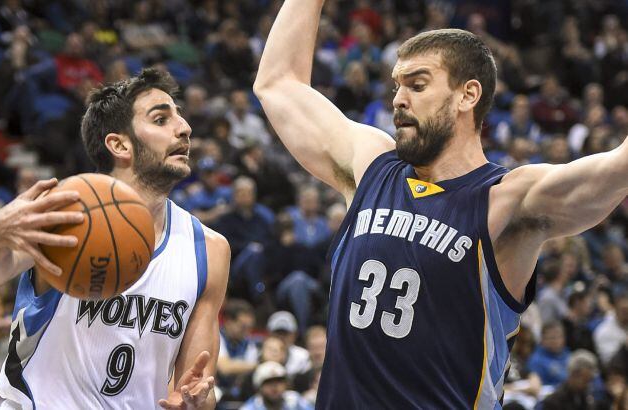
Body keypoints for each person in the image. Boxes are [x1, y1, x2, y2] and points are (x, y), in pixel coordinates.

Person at [253, 1, 628, 407]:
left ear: (467, 95)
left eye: (417, 85)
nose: (398, 99)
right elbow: (278, 82)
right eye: (396, 85)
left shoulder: (507, 200)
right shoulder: (371, 167)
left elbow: (616, 169)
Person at [0, 68, 230, 409]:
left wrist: (195, 402)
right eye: (161, 119)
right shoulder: (65, 211)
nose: (184, 128)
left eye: (180, 118)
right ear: (119, 144)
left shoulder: (210, 249)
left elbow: (197, 386)